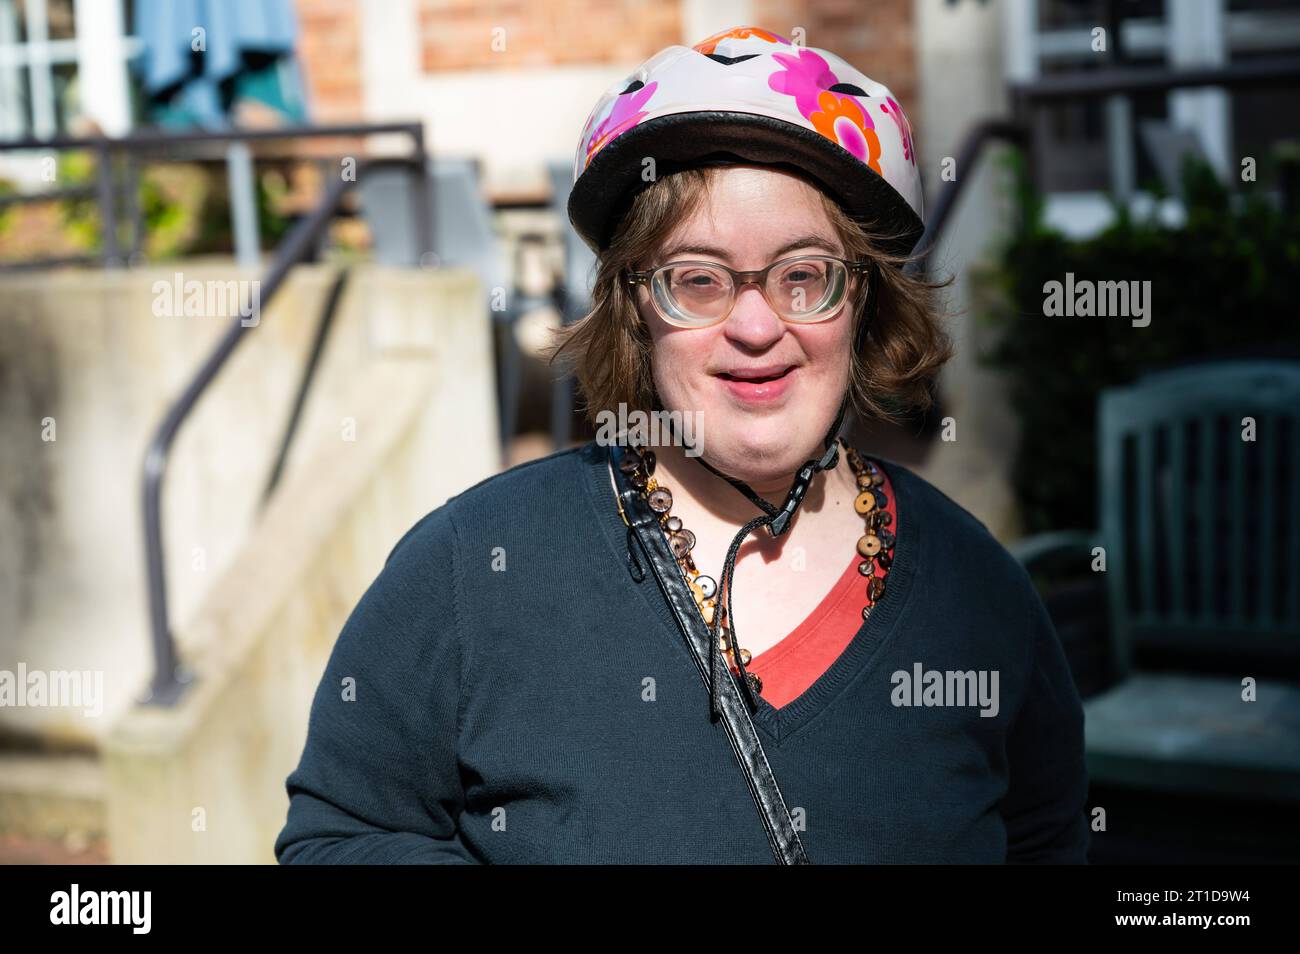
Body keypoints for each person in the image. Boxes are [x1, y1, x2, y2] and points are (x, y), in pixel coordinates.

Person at [274, 26, 1090, 864]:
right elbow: (340, 835)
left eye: (804, 275)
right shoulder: (473, 571)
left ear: (867, 301)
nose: (755, 326)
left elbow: (1046, 843)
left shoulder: (979, 594)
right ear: (635, 310)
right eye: (696, 279)